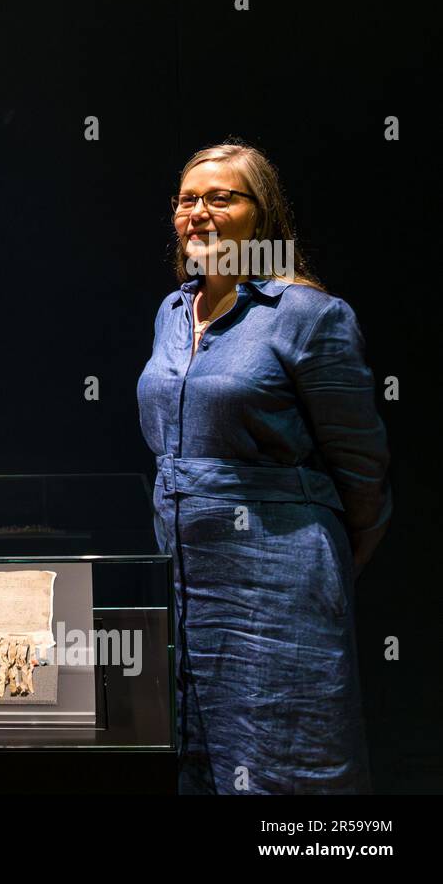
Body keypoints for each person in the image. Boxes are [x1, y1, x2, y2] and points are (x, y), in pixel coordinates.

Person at [137, 140, 391, 794]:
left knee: (288, 764)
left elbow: (363, 470)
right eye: (188, 199)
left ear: (264, 215)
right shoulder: (173, 312)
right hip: (187, 583)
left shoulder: (308, 315)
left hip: (277, 585)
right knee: (201, 759)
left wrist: (319, 569)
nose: (199, 212)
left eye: (222, 197)